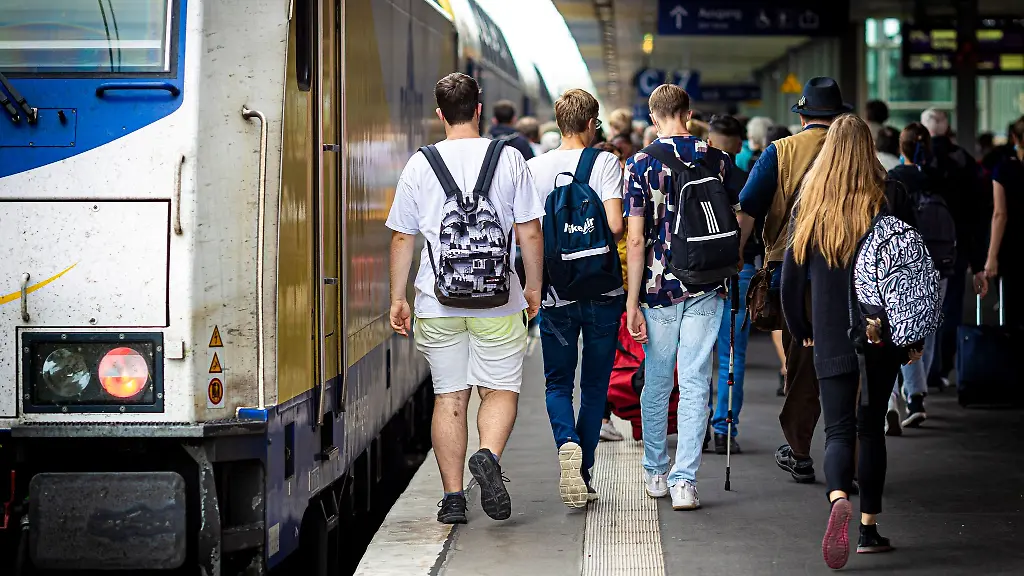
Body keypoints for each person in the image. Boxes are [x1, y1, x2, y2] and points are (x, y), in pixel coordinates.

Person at [387, 73, 545, 525]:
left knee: (449, 396)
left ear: (439, 114)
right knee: (498, 391)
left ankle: (453, 499)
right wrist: (532, 284)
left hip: (438, 302)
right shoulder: (509, 158)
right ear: (479, 108)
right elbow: (529, 230)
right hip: (499, 300)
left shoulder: (420, 164)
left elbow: (403, 236)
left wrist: (398, 296)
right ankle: (489, 458)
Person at [782, 114, 910, 569]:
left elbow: (790, 280)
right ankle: (869, 530)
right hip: (882, 331)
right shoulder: (891, 196)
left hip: (831, 331)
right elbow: (911, 267)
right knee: (870, 428)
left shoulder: (811, 204)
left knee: (837, 428)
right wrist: (911, 336)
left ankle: (838, 495)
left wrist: (802, 330)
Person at [623, 84, 744, 511]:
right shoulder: (718, 159)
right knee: (695, 380)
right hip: (710, 282)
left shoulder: (640, 165)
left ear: (654, 118)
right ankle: (685, 482)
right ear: (688, 114)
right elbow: (742, 213)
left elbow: (635, 241)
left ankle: (655, 470)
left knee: (657, 380)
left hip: (660, 287)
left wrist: (631, 300)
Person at [737, 77, 854, 484]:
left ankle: (800, 451)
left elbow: (749, 209)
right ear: (840, 115)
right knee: (848, 362)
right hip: (852, 270)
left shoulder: (780, 151)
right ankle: (847, 453)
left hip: (794, 271)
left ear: (802, 115)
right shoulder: (855, 152)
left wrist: (738, 258)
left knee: (803, 359)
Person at [527, 89, 626, 507]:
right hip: (603, 291)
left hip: (556, 294)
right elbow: (617, 226)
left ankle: (565, 441)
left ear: (558, 121)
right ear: (591, 123)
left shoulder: (533, 169)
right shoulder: (605, 162)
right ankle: (583, 469)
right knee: (595, 385)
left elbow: (530, 235)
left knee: (557, 382)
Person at [919, 108, 988, 388]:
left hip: (920, 248)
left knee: (921, 307)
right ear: (947, 129)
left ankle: (923, 369)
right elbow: (977, 212)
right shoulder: (963, 160)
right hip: (956, 247)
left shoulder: (919, 160)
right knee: (950, 306)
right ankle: (943, 366)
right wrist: (978, 258)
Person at [883, 123, 943, 434]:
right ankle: (917, 397)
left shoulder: (893, 180)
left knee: (894, 333)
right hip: (939, 265)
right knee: (924, 335)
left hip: (899, 267)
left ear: (901, 147)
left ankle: (892, 400)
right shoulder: (939, 180)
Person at [707, 114, 751, 455]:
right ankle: (724, 428)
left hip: (697, 275)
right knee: (731, 354)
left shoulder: (693, 173)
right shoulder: (744, 179)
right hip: (738, 272)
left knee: (695, 355)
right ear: (737, 143)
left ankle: (697, 423)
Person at [985, 115, 1024, 328]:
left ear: (1014, 138)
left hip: (1012, 248)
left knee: (1013, 313)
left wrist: (991, 257)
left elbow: (1000, 214)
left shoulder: (1004, 169)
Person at [764, 125, 792, 397]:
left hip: (777, 250)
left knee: (778, 315)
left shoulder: (770, 161)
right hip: (811, 250)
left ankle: (786, 366)